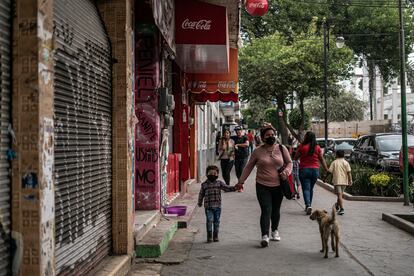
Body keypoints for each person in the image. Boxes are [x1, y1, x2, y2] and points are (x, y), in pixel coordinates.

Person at [235, 125, 292, 247]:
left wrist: (286, 172)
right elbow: (249, 166)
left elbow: (289, 163)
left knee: (275, 210)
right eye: (268, 135)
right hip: (262, 186)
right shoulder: (257, 151)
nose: (271, 137)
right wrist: (241, 181)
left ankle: (275, 230)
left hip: (278, 186)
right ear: (262, 137)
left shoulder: (282, 148)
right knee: (266, 209)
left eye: (272, 135)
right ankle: (264, 235)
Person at [198, 165, 236, 243]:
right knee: (209, 221)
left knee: (216, 221)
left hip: (217, 207)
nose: (212, 175)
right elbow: (201, 194)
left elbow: (227, 188)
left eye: (214, 173)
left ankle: (215, 236)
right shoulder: (204, 184)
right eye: (210, 173)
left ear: (217, 175)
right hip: (208, 207)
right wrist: (199, 202)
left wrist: (235, 188)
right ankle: (209, 237)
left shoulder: (219, 183)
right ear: (207, 174)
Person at [294, 131, 329, 215]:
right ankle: (308, 205)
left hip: (304, 170)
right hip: (315, 170)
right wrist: (326, 169)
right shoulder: (317, 147)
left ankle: (308, 205)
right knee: (310, 189)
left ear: (306, 137)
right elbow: (321, 159)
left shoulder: (302, 146)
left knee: (306, 188)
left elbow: (295, 157)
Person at [327, 150, 352, 215]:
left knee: (339, 195)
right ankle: (337, 205)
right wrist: (350, 180)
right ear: (343, 155)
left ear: (336, 155)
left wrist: (324, 178)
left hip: (337, 181)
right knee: (340, 195)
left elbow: (329, 172)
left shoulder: (334, 162)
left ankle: (342, 209)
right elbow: (349, 172)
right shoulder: (346, 163)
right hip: (344, 181)